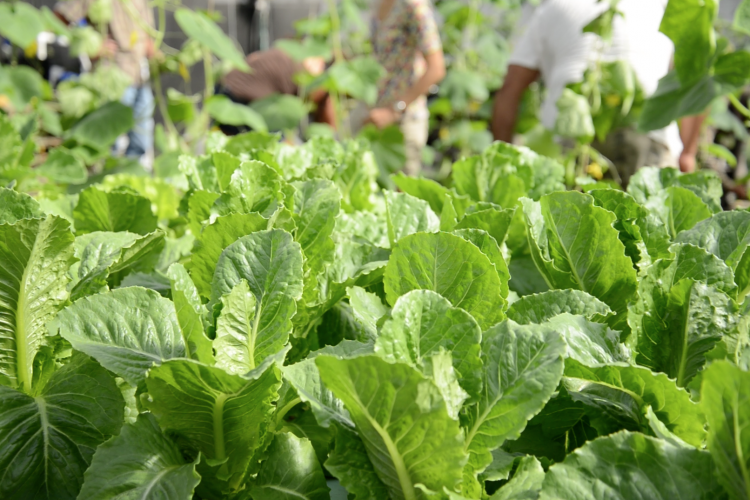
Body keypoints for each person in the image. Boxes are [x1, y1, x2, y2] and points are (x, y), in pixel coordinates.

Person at [491, 0, 705, 184]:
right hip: (649, 132)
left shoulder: (552, 8)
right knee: (654, 223)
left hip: (569, 139)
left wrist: (503, 162)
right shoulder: (659, 6)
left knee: (566, 224)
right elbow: (695, 80)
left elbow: (510, 90)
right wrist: (687, 153)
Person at [55, 0, 156, 161]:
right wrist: (91, 45)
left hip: (140, 76)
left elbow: (148, 36)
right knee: (110, 144)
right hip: (111, 75)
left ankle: (132, 181)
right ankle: (105, 181)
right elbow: (58, 18)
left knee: (141, 143)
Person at [367, 0, 446, 176]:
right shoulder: (378, 4)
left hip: (405, 118)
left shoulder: (414, 6)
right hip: (375, 114)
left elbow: (437, 68)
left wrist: (395, 109)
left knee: (401, 193)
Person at [218, 48, 335, 134]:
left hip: (221, 91)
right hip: (234, 100)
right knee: (278, 135)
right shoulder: (309, 79)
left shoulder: (291, 54)